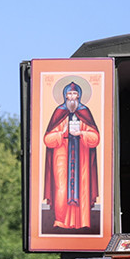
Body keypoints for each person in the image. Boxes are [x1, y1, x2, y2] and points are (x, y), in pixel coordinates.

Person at [43, 82, 100, 229]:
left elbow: (95, 138)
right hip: (61, 154)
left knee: (82, 187)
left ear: (79, 95)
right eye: (69, 94)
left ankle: (82, 222)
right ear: (65, 96)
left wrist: (81, 133)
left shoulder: (84, 112)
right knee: (61, 187)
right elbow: (47, 139)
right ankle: (60, 220)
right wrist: (61, 134)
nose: (72, 97)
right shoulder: (59, 113)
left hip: (82, 156)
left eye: (75, 94)